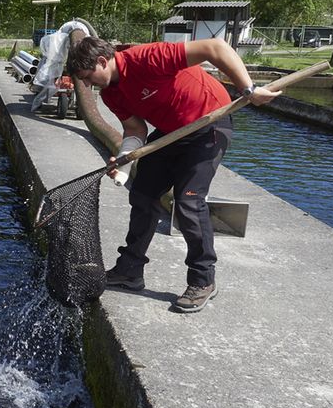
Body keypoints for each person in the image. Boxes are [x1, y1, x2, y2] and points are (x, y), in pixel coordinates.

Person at [65, 36, 279, 313]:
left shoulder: (147, 58)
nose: (88, 85)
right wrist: (125, 158)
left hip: (209, 123)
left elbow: (215, 48)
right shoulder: (111, 93)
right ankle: (130, 271)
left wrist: (247, 88)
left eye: (88, 77)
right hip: (172, 133)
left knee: (189, 201)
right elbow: (135, 131)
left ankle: (203, 280)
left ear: (102, 61)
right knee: (143, 193)